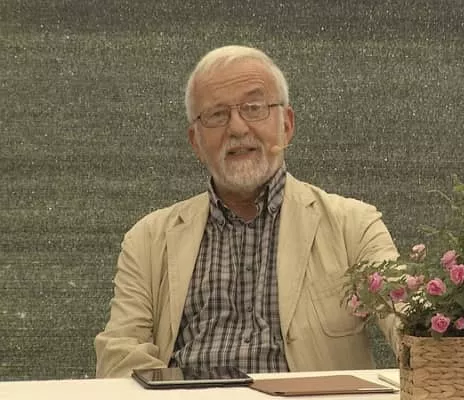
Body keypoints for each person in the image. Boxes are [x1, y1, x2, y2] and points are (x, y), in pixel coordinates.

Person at [94, 45, 400, 378]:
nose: (238, 128)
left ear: (287, 124)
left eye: (254, 108)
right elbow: (120, 355)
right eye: (217, 115)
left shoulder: (353, 225)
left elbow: (410, 323)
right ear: (195, 142)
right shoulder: (148, 239)